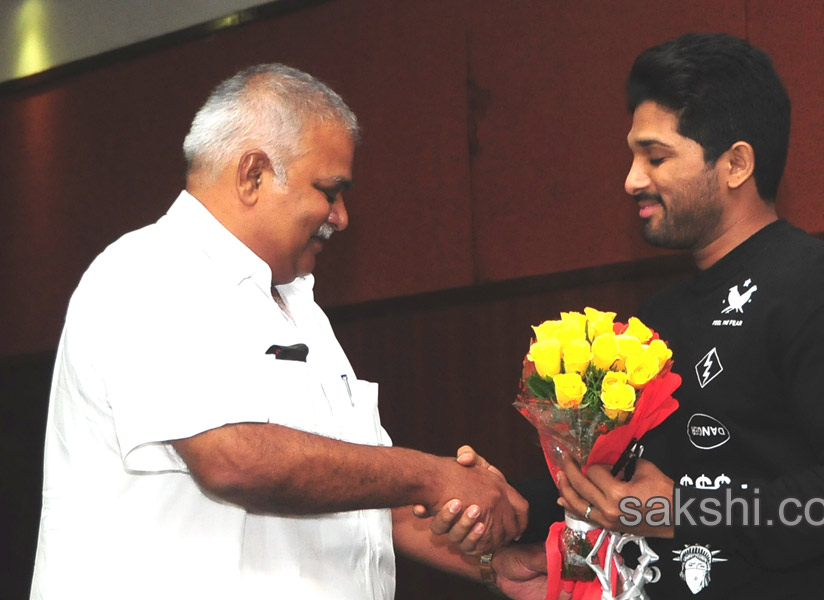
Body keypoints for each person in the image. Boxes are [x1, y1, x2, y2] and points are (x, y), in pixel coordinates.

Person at [438, 33, 824, 598]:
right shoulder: (660, 314)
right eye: (633, 156)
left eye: (656, 156)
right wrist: (507, 505)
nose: (632, 179)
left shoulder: (823, 293)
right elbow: (630, 481)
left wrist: (686, 511)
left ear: (737, 163)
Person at [29, 63, 543, 600]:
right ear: (253, 174)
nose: (341, 216)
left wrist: (492, 566)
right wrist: (432, 476)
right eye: (330, 190)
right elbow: (233, 458)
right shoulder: (149, 271)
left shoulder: (297, 304)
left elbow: (358, 498)